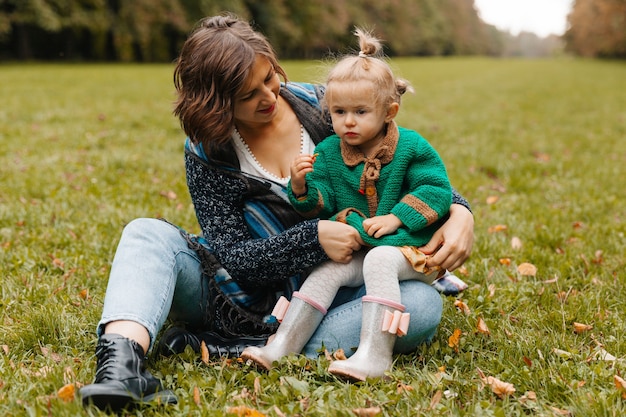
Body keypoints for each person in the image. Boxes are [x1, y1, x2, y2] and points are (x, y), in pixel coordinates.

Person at [79, 13, 474, 411]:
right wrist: (314, 238)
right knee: (145, 233)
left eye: (268, 79)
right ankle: (121, 370)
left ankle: (251, 348)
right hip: (234, 297)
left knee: (421, 307)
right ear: (216, 104)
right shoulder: (208, 151)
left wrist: (461, 212)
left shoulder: (327, 106)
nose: (268, 97)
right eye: (247, 95)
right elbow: (233, 258)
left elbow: (405, 167)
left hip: (331, 294)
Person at [241, 28, 453, 381]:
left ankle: (375, 353)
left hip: (411, 250)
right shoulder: (327, 153)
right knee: (327, 271)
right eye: (339, 112)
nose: (348, 121)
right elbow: (318, 205)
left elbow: (437, 190)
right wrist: (301, 186)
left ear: (389, 111)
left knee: (381, 260)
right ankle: (282, 346)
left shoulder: (411, 148)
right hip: (363, 249)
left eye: (360, 111)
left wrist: (397, 219)